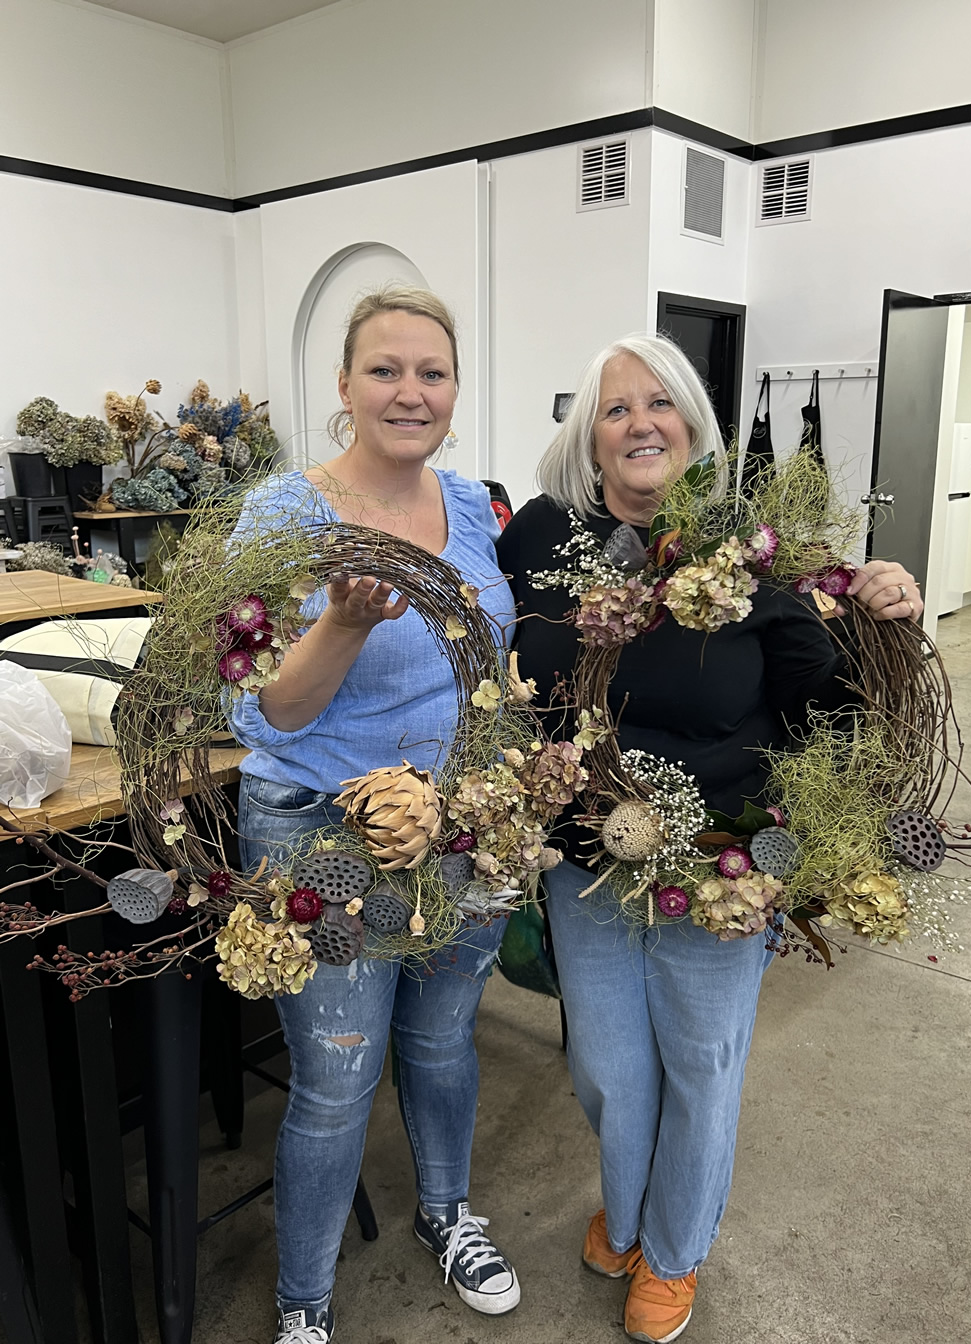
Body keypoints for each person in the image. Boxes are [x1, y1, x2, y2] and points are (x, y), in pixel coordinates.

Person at [495, 333, 922, 1344]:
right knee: (605, 1063)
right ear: (589, 438)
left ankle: (673, 1250)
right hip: (590, 857)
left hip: (723, 858)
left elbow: (829, 699)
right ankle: (631, 1205)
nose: (641, 422)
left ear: (692, 425)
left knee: (700, 1059)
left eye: (661, 404)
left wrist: (882, 607)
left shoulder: (757, 551)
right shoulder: (545, 543)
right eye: (615, 408)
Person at [230, 285, 520, 1344]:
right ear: (344, 387)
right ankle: (304, 1303)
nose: (411, 391)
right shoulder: (285, 516)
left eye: (432, 372)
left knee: (444, 1045)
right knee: (339, 1073)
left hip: (456, 820)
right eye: (386, 370)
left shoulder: (472, 505)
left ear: (455, 389)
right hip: (320, 823)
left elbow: (490, 660)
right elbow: (269, 705)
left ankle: (448, 1214)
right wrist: (344, 626)